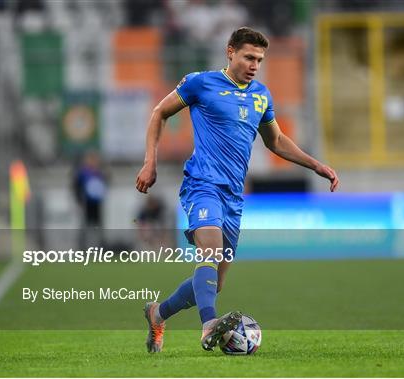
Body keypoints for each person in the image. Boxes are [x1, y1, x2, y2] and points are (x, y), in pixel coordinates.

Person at [135, 27, 339, 353]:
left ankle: (157, 313)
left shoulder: (261, 95)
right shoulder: (200, 83)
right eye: (248, 57)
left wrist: (315, 165)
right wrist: (150, 163)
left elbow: (276, 141)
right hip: (202, 184)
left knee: (215, 283)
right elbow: (159, 112)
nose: (254, 64)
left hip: (233, 196)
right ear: (230, 52)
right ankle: (208, 325)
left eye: (259, 59)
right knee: (210, 253)